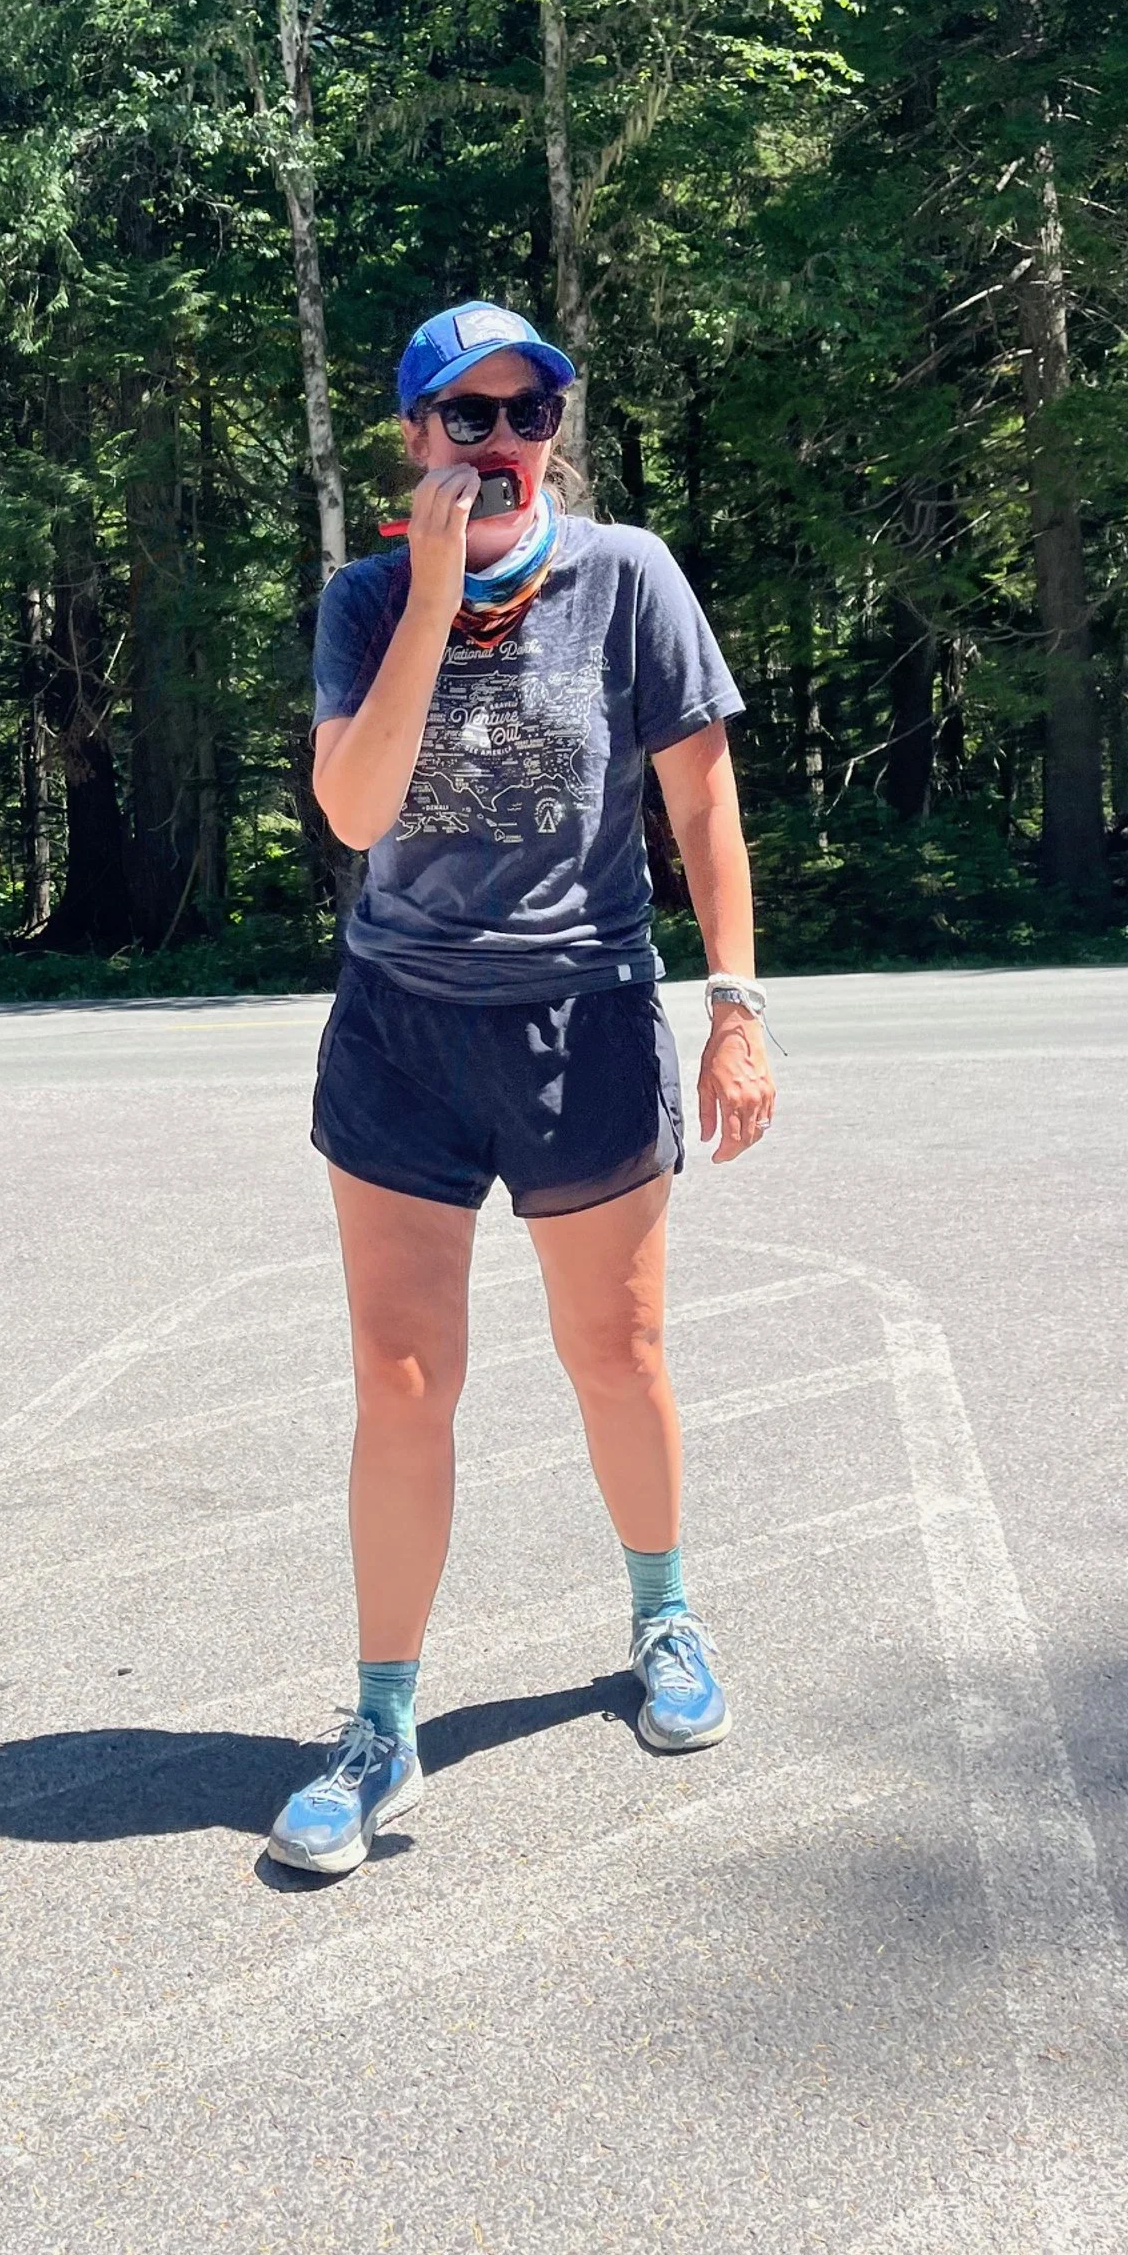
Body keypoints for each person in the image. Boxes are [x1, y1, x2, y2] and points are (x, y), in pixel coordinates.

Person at [268, 301, 777, 1879]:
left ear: (556, 428)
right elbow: (354, 813)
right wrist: (428, 598)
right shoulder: (365, 600)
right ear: (412, 441)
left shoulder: (630, 580)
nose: (498, 445)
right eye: (465, 418)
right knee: (402, 1384)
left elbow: (703, 812)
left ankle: (663, 1615)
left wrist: (736, 1011)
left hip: (582, 1021)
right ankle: (379, 1723)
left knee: (617, 1354)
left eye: (526, 414)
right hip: (404, 1030)